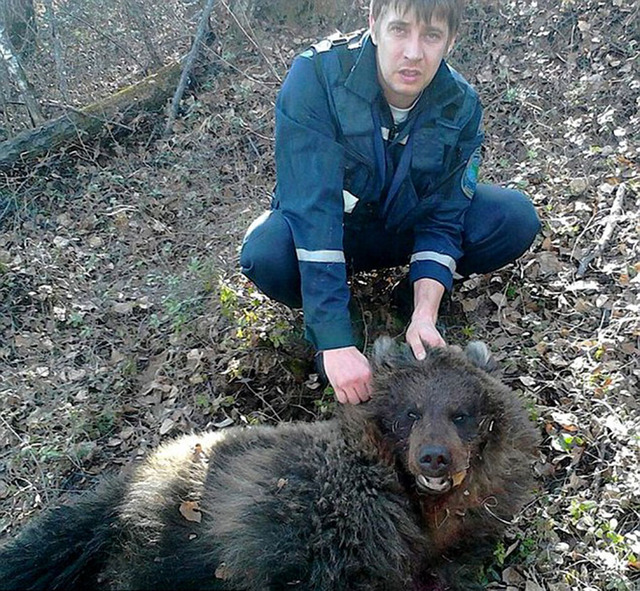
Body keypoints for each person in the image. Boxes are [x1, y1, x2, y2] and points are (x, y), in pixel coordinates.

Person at [240, 0, 540, 406]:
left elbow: (445, 216)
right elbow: (312, 212)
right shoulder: (316, 76)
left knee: (513, 217)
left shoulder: (460, 103)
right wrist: (334, 342)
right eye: (400, 29)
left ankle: (409, 300)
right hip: (337, 232)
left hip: (404, 227)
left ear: (450, 41)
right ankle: (333, 315)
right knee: (265, 253)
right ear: (374, 24)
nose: (413, 52)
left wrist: (424, 313)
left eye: (431, 35)